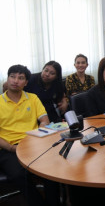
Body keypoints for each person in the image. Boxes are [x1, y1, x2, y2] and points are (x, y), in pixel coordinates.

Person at [0, 65, 53, 206]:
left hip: (33, 144)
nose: (15, 80)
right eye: (12, 76)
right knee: (19, 175)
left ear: (26, 83)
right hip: (9, 148)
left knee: (53, 169)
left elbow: (44, 121)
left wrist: (35, 138)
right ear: (7, 78)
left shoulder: (33, 98)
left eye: (21, 78)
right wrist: (12, 148)